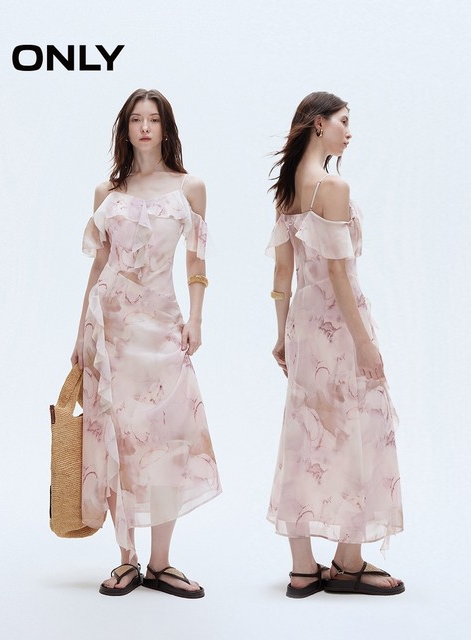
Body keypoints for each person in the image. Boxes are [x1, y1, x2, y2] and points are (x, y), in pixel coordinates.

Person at [71, 88, 221, 597]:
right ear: (126, 128)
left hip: (162, 327)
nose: (144, 128)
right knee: (118, 439)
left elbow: (197, 261)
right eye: (136, 119)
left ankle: (161, 562)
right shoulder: (107, 192)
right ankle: (126, 559)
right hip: (110, 329)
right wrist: (80, 332)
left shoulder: (189, 187)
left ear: (165, 128)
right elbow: (98, 265)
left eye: (153, 120)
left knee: (165, 441)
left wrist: (196, 318)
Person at [266, 91, 404, 597]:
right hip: (339, 326)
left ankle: (303, 569)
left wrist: (281, 334)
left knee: (306, 434)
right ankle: (348, 562)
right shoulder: (333, 186)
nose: (350, 131)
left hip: (304, 326)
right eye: (344, 121)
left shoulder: (287, 191)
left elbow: (282, 274)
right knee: (357, 429)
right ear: (318, 124)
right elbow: (340, 276)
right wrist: (364, 343)